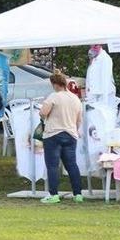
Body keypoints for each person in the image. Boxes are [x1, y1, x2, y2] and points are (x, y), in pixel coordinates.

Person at [39, 71, 84, 204]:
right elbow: (79, 120)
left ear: (54, 84)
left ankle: (53, 194)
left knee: (52, 166)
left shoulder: (54, 96)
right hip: (71, 134)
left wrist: (43, 115)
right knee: (72, 165)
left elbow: (43, 112)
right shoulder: (75, 98)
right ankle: (78, 194)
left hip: (53, 134)